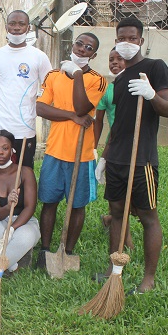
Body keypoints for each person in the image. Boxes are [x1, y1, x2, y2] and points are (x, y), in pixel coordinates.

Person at [97, 17, 168, 294]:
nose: (126, 43)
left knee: (148, 216)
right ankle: (114, 268)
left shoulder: (154, 67)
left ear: (140, 40)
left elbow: (167, 109)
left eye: (131, 38)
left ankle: (148, 280)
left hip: (142, 159)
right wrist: (104, 157)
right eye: (121, 38)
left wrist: (151, 93)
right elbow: (117, 123)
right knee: (117, 213)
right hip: (117, 158)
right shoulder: (118, 80)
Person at [35, 33, 106, 266]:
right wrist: (72, 118)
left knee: (77, 205)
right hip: (55, 150)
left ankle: (69, 250)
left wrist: (77, 74)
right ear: (72, 45)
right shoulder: (54, 76)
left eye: (89, 47)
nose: (83, 49)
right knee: (49, 201)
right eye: (80, 44)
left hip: (82, 154)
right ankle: (45, 250)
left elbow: (83, 106)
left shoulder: (97, 80)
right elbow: (41, 109)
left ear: (93, 55)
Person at [0, 130, 40, 294]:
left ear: (13, 151)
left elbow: (30, 207)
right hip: (0, 219)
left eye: (5, 148)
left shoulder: (25, 172)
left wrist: (12, 228)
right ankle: (12, 266)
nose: (0, 152)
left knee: (25, 236)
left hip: (24, 221)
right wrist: (8, 205)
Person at [0, 10, 52, 169]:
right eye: (12, 24)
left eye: (21, 24)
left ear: (28, 27)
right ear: (6, 26)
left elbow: (49, 86)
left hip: (25, 128)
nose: (16, 28)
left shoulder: (39, 56)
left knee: (24, 172)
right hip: (0, 126)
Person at [94, 48, 134, 251]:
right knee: (115, 195)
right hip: (114, 146)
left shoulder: (136, 85)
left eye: (120, 58)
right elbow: (98, 121)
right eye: (111, 59)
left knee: (131, 196)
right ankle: (124, 238)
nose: (115, 62)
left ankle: (111, 220)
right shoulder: (107, 90)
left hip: (136, 147)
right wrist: (95, 149)